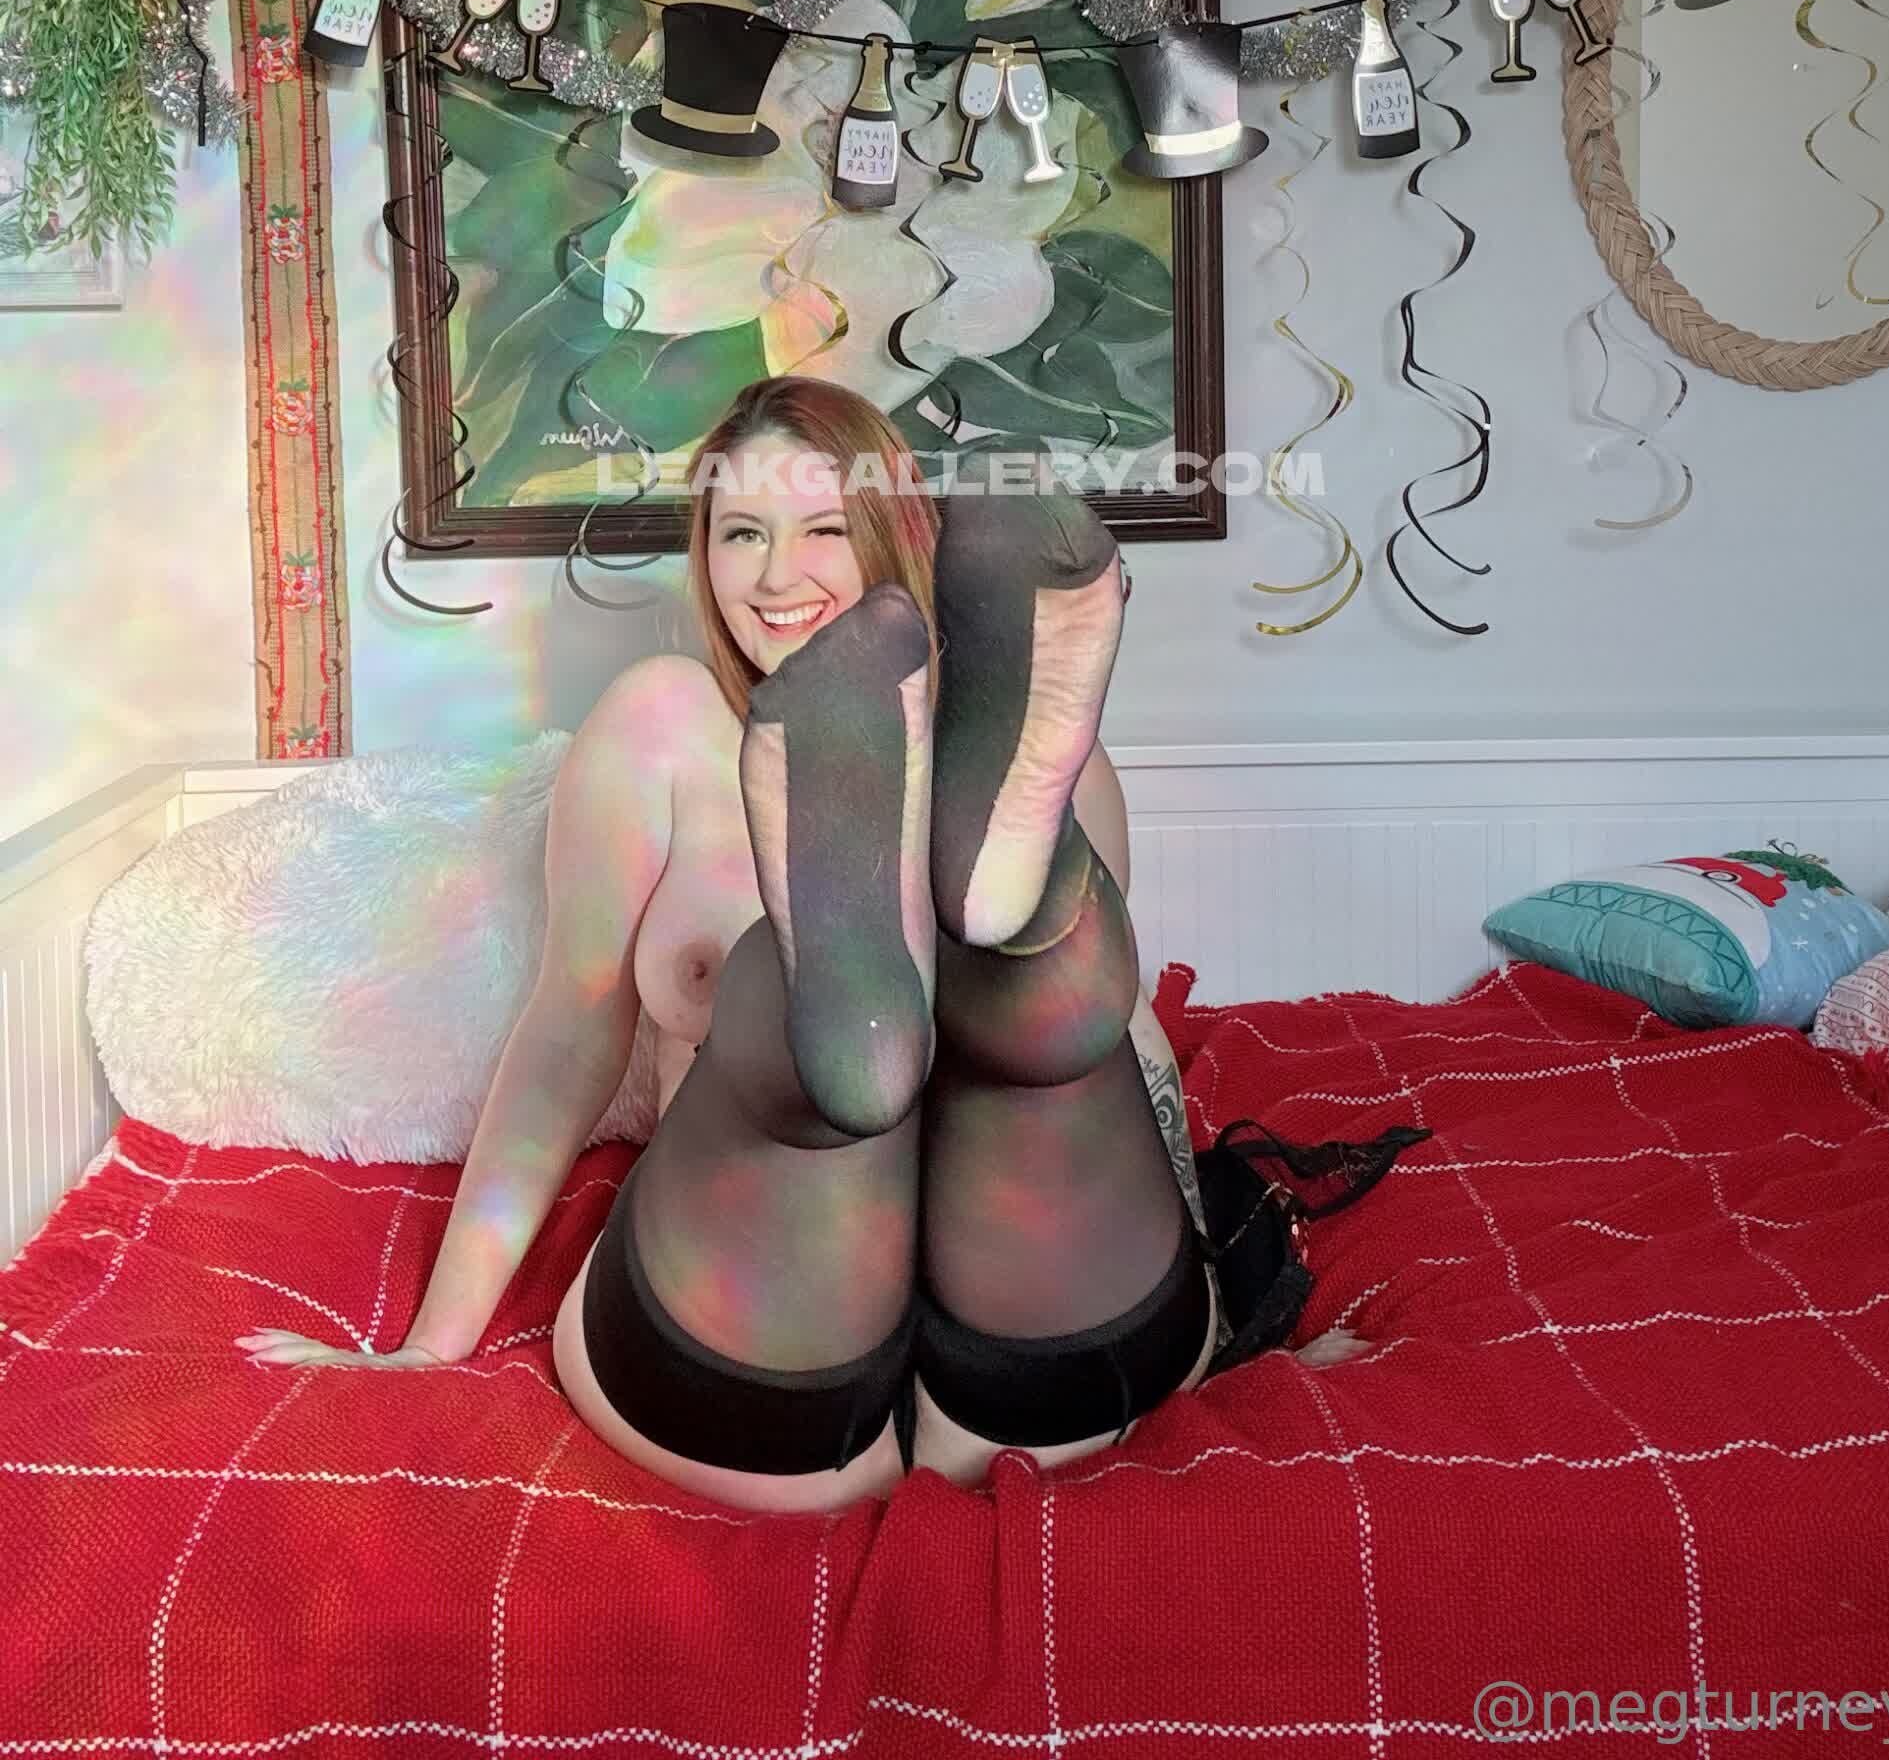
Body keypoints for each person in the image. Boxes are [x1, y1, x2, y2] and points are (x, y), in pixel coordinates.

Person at [240, 377, 1423, 1511]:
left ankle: (922, 952)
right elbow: (570, 1029)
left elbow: (1117, 1054)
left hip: (1024, 1332)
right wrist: (430, 1343)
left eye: (822, 527)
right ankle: (849, 989)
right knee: (819, 1025)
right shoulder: (662, 726)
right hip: (768, 1333)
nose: (776, 575)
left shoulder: (1033, 758)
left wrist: (1231, 1310)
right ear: (704, 552)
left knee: (1041, 1028)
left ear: (893, 535)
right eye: (741, 533)